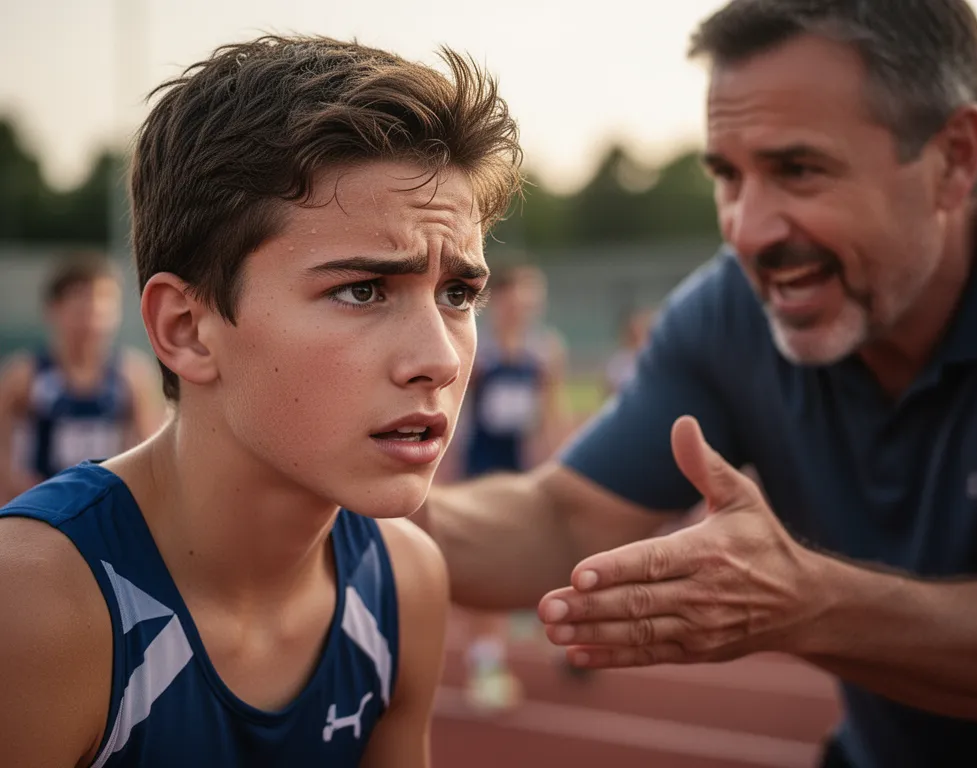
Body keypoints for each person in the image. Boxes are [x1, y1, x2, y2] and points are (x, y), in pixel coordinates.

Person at [416, 1, 977, 766]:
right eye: (728, 177)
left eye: (798, 169)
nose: (749, 228)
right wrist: (335, 515)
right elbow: (569, 520)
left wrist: (811, 604)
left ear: (956, 158)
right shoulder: (734, 310)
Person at [0, 35, 522, 768]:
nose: (438, 358)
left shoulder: (405, 583)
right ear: (187, 329)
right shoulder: (32, 605)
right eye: (361, 290)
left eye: (458, 293)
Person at [456, 263, 569, 709]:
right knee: (485, 572)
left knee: (540, 559)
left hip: (522, 473)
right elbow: (458, 414)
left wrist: (556, 463)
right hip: (481, 473)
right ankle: (485, 664)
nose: (525, 305)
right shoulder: (477, 350)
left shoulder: (545, 350)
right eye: (518, 296)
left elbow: (551, 412)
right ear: (498, 300)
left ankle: (535, 620)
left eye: (532, 296)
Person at [0, 252, 166, 503]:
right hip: (39, 506)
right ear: (54, 309)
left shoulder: (133, 376)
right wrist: (22, 490)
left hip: (104, 506)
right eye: (81, 305)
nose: (92, 317)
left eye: (103, 305)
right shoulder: (24, 376)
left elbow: (152, 452)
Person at [603, 307, 655, 395]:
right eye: (632, 329)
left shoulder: (651, 356)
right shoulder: (617, 360)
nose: (635, 332)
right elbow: (609, 391)